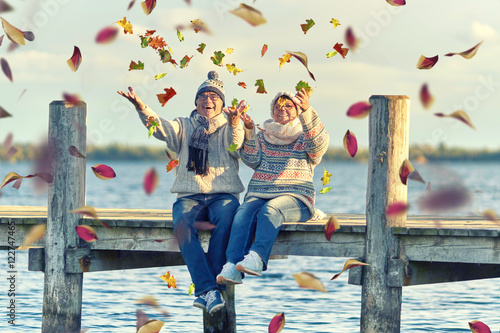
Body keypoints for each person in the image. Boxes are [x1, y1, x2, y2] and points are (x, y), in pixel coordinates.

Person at [118, 71, 247, 315]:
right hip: (190, 196)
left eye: (214, 97)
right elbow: (159, 127)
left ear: (221, 103)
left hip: (224, 195)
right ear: (196, 102)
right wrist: (141, 107)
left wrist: (234, 123)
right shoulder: (184, 126)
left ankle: (205, 290)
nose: (208, 100)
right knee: (181, 226)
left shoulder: (230, 126)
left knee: (226, 223)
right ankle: (210, 290)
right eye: (203, 96)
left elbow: (235, 144)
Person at [216, 88, 329, 285]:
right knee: (242, 213)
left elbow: (317, 148)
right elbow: (251, 159)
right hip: (261, 192)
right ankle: (233, 266)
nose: (281, 108)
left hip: (296, 197)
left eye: (288, 105)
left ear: (297, 110)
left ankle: (257, 258)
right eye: (277, 106)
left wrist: (307, 110)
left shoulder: (306, 136)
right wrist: (249, 130)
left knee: (271, 209)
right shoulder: (264, 135)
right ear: (272, 111)